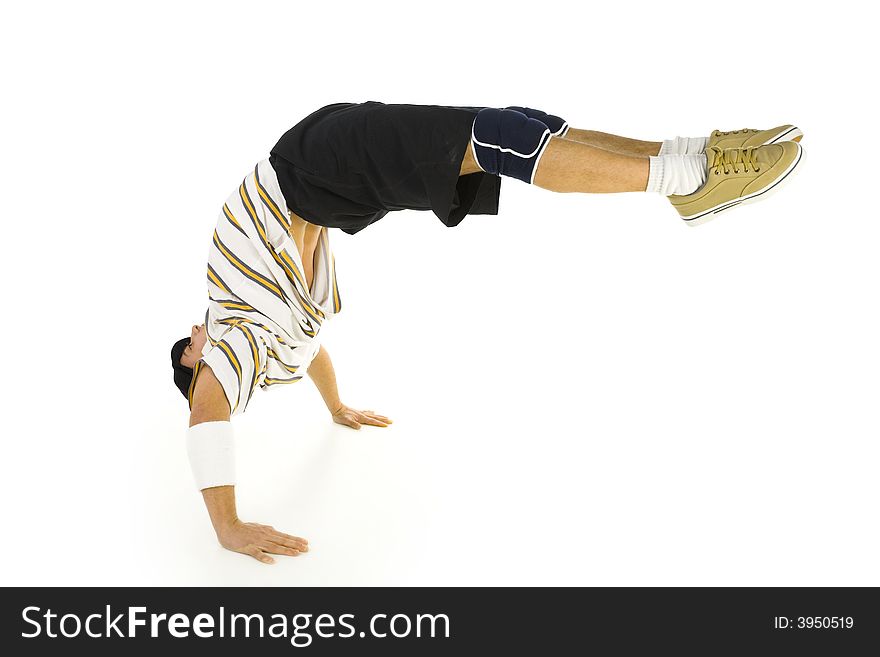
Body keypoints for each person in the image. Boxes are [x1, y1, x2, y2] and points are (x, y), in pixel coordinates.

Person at [170, 102, 804, 564]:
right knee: (496, 136)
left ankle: (698, 157)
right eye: (189, 347)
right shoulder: (239, 347)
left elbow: (316, 358)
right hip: (316, 180)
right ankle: (691, 176)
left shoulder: (272, 342)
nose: (196, 330)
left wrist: (336, 407)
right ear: (197, 365)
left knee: (506, 130)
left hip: (308, 176)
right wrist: (226, 525)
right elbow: (208, 409)